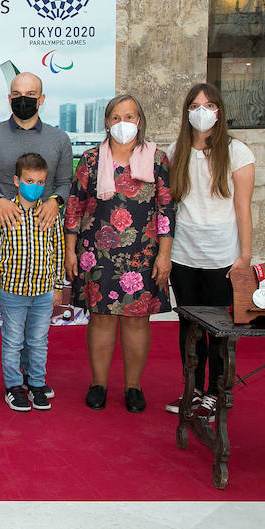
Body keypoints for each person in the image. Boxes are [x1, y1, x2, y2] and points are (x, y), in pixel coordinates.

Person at [64, 93, 173, 413]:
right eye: (116, 117)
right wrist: (70, 253)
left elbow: (166, 209)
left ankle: (133, 387)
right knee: (100, 320)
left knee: (137, 321)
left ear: (140, 121)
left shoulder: (157, 159)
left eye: (130, 116)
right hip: (96, 253)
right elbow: (74, 209)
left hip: (143, 255)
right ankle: (98, 383)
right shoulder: (90, 160)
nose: (123, 123)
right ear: (106, 122)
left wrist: (164, 255)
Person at [0, 71, 73, 400]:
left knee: (34, 310)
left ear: (41, 99)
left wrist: (55, 202)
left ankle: (30, 376)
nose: (22, 98)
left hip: (41, 237)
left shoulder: (59, 139)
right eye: (16, 93)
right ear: (9, 98)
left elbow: (65, 183)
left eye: (30, 93)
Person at [164, 83, 255, 416]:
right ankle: (193, 389)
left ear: (220, 111)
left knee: (219, 330)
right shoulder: (176, 152)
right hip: (184, 255)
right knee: (189, 327)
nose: (202, 112)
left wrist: (244, 256)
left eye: (210, 105)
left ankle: (216, 393)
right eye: (196, 105)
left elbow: (243, 208)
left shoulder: (238, 153)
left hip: (223, 257)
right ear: (187, 112)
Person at [0, 153, 66, 412]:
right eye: (29, 180)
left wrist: (57, 286)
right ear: (17, 180)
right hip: (12, 292)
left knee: (38, 340)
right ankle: (14, 387)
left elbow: (57, 252)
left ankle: (36, 384)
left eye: (40, 182)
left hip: (43, 292)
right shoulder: (3, 214)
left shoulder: (51, 215)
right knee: (13, 340)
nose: (35, 186)